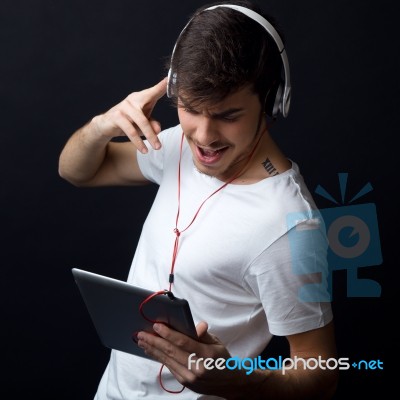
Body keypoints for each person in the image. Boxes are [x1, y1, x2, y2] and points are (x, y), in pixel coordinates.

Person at [58, 1, 338, 399]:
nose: (204, 137)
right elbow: (75, 171)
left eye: (227, 115)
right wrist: (104, 125)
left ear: (274, 103)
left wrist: (240, 380)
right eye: (190, 108)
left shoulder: (292, 226)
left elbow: (321, 372)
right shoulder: (176, 146)